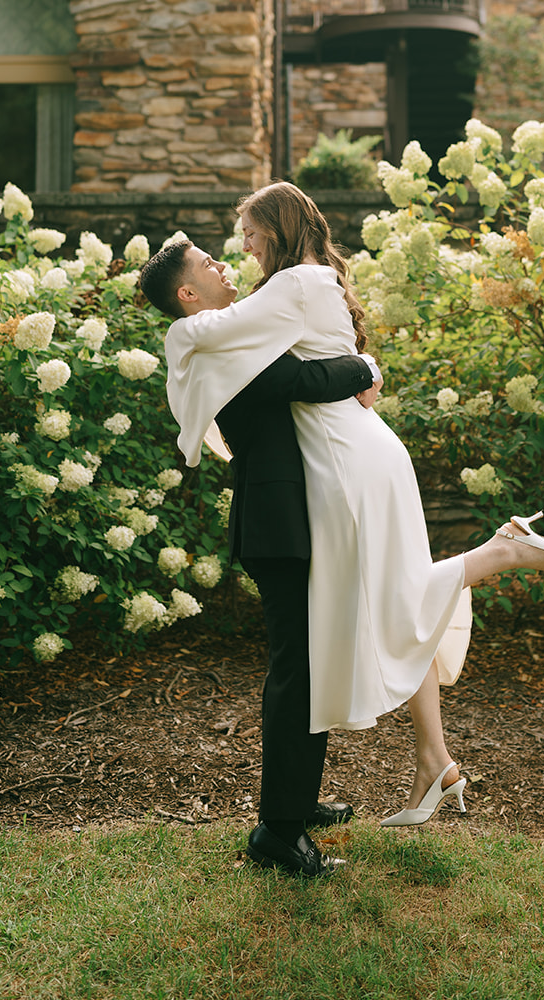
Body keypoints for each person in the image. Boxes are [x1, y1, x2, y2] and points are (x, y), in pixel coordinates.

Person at [161, 183, 544, 835]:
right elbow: (269, 360)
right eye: (221, 252)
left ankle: (505, 553)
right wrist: (361, 365)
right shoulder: (294, 287)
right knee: (381, 607)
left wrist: (355, 365)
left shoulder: (289, 286)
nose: (236, 250)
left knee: (390, 603)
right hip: (344, 459)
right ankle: (431, 760)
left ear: (275, 227)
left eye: (246, 232)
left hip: (342, 464)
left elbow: (258, 353)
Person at [140, 238, 381, 878]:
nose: (222, 265)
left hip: (293, 515)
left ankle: (295, 806)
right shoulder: (207, 340)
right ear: (188, 294)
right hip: (277, 521)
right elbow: (300, 380)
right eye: (206, 267)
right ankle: (277, 832)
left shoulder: (230, 331)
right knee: (296, 670)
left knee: (309, 661)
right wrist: (366, 368)